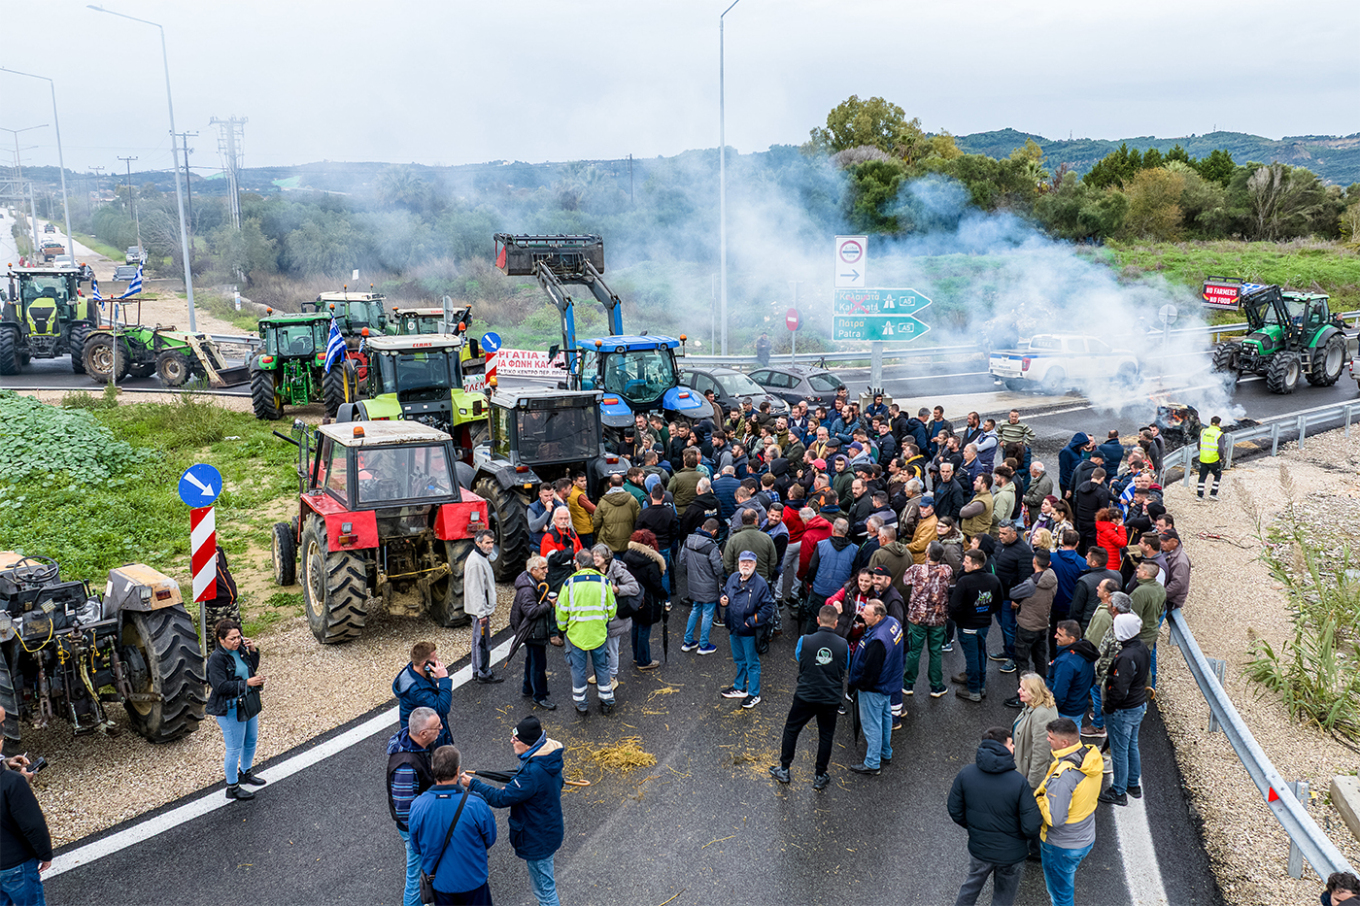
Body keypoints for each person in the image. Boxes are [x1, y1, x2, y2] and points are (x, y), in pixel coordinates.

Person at [462, 717, 565, 906]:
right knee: (545, 885)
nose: (511, 741)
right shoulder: (548, 758)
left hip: (538, 838)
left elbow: (501, 799)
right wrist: (517, 791)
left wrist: (474, 784)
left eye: (515, 739)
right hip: (549, 829)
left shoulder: (532, 773)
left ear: (527, 744)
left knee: (544, 891)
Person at [947, 726, 1042, 906]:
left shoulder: (966, 774)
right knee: (1003, 896)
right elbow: (1031, 825)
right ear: (1003, 747)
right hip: (1011, 854)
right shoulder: (1018, 781)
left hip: (980, 849)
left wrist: (975, 827)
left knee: (970, 888)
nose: (1014, 747)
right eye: (1011, 743)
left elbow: (954, 810)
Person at [769, 604, 850, 790]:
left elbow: (800, 658)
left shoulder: (804, 641)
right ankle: (820, 775)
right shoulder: (843, 645)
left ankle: (784, 769)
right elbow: (845, 666)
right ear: (836, 623)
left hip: (806, 694)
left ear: (818, 620)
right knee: (826, 736)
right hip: (830, 697)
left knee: (791, 729)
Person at [409, 746, 498, 906]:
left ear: (432, 768)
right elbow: (490, 839)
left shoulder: (418, 805)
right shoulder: (476, 804)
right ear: (458, 770)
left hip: (440, 884)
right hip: (473, 880)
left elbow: (416, 847)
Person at [1033, 718, 1103, 906]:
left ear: (1064, 743)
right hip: (1085, 836)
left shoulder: (1064, 778)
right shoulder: (1089, 757)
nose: (1048, 740)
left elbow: (1055, 819)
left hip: (1061, 845)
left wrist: (1039, 799)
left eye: (1051, 737)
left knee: (1060, 896)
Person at [206, 619, 267, 801]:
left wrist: (253, 650)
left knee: (251, 740)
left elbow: (251, 668)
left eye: (238, 637)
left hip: (246, 702)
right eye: (232, 638)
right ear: (221, 639)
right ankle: (232, 787)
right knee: (234, 748)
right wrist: (246, 683)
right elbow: (220, 686)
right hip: (230, 708)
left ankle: (245, 773)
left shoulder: (239, 650)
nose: (237, 641)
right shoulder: (216, 659)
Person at [388, 707, 442, 906]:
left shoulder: (419, 747)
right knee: (415, 875)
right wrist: (423, 833)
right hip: (416, 829)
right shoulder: (406, 766)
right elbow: (405, 812)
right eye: (437, 727)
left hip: (423, 824)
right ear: (423, 733)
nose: (441, 729)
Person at [0, 711, 52, 906]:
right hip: (17, 865)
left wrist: (5, 763)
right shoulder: (12, 784)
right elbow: (33, 825)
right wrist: (45, 854)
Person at [556, 550, 618, 715]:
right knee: (602, 667)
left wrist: (562, 629)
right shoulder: (604, 582)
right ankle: (607, 701)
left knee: (578, 670)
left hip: (576, 636)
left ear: (578, 564)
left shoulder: (569, 583)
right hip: (598, 634)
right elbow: (612, 610)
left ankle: (581, 704)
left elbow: (561, 612)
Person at [846, 601, 903, 775]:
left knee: (872, 725)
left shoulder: (877, 640)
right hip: (889, 683)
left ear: (878, 617)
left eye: (866, 613)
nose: (862, 615)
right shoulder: (892, 623)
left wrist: (861, 687)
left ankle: (872, 763)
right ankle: (886, 752)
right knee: (885, 718)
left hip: (874, 689)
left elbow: (871, 671)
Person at [1100, 612, 1151, 806]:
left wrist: (1109, 707)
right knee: (1131, 744)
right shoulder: (1142, 647)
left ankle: (1118, 791)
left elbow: (1120, 688)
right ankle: (1133, 784)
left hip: (1123, 709)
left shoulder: (1125, 656)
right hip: (1138, 704)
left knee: (1119, 750)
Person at [720, 550, 776, 709]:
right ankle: (739, 687)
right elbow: (724, 592)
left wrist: (751, 622)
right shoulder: (732, 578)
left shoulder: (760, 583)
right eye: (743, 561)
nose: (746, 564)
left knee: (752, 663)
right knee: (739, 660)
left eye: (749, 562)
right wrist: (722, 599)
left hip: (749, 631)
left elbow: (767, 608)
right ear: (738, 563)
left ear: (755, 565)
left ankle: (754, 694)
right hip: (733, 628)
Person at [950, 549, 1003, 702]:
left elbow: (954, 606)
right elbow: (998, 602)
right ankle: (980, 685)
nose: (963, 564)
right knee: (980, 653)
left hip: (967, 626)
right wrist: (984, 612)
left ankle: (973, 690)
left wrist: (960, 620)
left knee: (972, 657)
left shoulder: (965, 582)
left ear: (976, 564)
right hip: (984, 624)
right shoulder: (993, 580)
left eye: (966, 562)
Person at [901, 541, 952, 698]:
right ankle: (936, 686)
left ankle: (908, 684)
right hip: (938, 619)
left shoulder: (916, 570)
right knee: (935, 652)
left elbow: (905, 581)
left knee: (914, 651)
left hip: (918, 618)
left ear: (927, 554)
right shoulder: (947, 570)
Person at [1006, 547, 1055, 690]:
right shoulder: (1052, 577)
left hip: (1027, 626)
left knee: (1022, 661)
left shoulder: (1031, 584)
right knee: (1040, 659)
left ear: (1034, 562)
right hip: (1042, 624)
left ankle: (1024, 692)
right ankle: (1041, 689)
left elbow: (1013, 593)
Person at [511, 557, 556, 710]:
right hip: (534, 632)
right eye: (543, 568)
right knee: (539, 664)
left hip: (531, 631)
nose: (546, 571)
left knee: (531, 659)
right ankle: (540, 696)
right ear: (533, 570)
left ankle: (528, 688)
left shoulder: (529, 584)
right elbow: (531, 612)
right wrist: (549, 604)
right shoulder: (528, 590)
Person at [621, 529, 667, 671]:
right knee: (644, 630)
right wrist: (664, 594)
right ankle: (644, 660)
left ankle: (636, 656)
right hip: (648, 600)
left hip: (634, 598)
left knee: (636, 626)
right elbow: (656, 585)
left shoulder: (627, 556)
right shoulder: (651, 563)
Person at [394, 641, 455, 748]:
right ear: (425, 664)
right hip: (426, 741)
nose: (437, 661)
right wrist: (443, 679)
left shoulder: (415, 671)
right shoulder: (417, 690)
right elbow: (442, 707)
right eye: (434, 659)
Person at [678, 518, 724, 656]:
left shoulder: (688, 541)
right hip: (709, 585)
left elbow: (682, 561)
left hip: (693, 584)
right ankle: (704, 645)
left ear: (703, 526)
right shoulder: (712, 547)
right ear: (714, 531)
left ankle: (688, 642)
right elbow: (718, 569)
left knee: (695, 610)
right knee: (708, 614)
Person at [465, 530, 502, 685]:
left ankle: (477, 670)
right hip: (480, 611)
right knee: (482, 642)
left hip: (481, 610)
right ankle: (483, 673)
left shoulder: (480, 557)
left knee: (478, 640)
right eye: (487, 542)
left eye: (492, 542)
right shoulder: (476, 562)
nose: (490, 546)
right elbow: (476, 590)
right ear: (478, 543)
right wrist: (482, 613)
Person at [1011, 673, 1060, 790]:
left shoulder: (1041, 714)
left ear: (1034, 692)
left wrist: (1032, 785)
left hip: (1027, 775)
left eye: (1023, 689)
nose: (1018, 691)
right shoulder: (1032, 705)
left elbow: (1041, 754)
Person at [1049, 620, 1099, 726]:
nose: (1055, 636)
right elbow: (1092, 680)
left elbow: (1060, 692)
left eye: (1060, 635)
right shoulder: (1086, 651)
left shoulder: (1066, 662)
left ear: (1071, 639)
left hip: (1066, 711)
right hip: (1079, 705)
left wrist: (1051, 708)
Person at [205, 547, 241, 648]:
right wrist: (209, 561)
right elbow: (194, 568)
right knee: (217, 640)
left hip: (231, 605)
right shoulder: (201, 554)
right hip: (217, 609)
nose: (215, 540)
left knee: (237, 638)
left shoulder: (219, 550)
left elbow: (225, 568)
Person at [1196, 415, 1227, 500]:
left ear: (1210, 422)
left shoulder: (1203, 431)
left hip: (1203, 458)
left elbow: (1199, 444)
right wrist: (1221, 457)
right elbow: (1221, 448)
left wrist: (1202, 452)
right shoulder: (1219, 434)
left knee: (1202, 476)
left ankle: (1199, 495)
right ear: (1218, 424)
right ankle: (1213, 493)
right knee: (1217, 475)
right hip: (1213, 459)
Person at [566, 471, 596, 547]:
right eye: (581, 481)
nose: (584, 483)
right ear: (574, 482)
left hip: (577, 528)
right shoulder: (580, 495)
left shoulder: (572, 492)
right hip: (585, 529)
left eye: (585, 480)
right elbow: (594, 509)